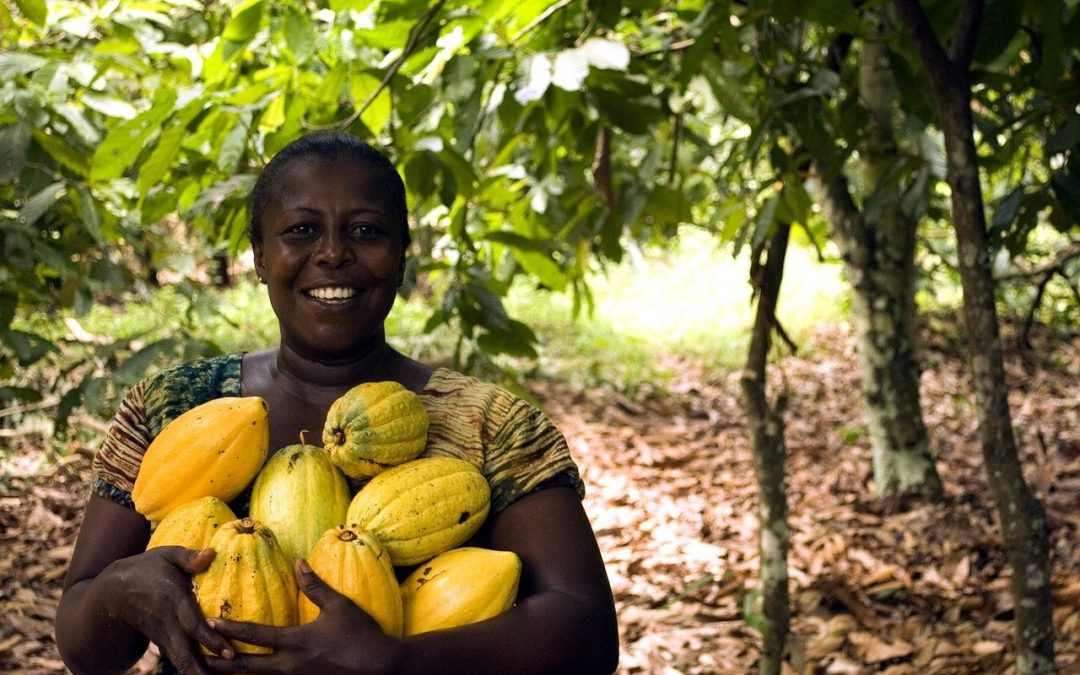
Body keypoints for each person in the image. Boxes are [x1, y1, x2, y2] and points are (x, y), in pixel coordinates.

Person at [55, 131, 620, 675]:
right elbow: (84, 645)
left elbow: (589, 634)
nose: (332, 254)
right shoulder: (172, 406)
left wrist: (395, 663)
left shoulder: (493, 426)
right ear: (258, 256)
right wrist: (117, 594)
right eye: (301, 230)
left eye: (366, 230)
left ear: (401, 256)